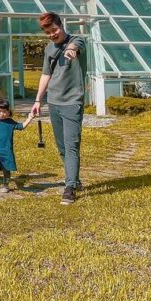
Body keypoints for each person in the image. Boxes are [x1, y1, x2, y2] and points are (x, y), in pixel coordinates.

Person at [31, 11, 87, 205]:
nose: (52, 35)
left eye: (54, 30)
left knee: (72, 146)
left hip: (72, 102)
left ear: (60, 25)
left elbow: (75, 47)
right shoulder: (49, 49)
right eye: (47, 32)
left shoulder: (77, 40)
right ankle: (75, 179)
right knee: (62, 148)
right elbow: (46, 75)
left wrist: (71, 51)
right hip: (53, 102)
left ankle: (69, 188)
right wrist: (38, 100)